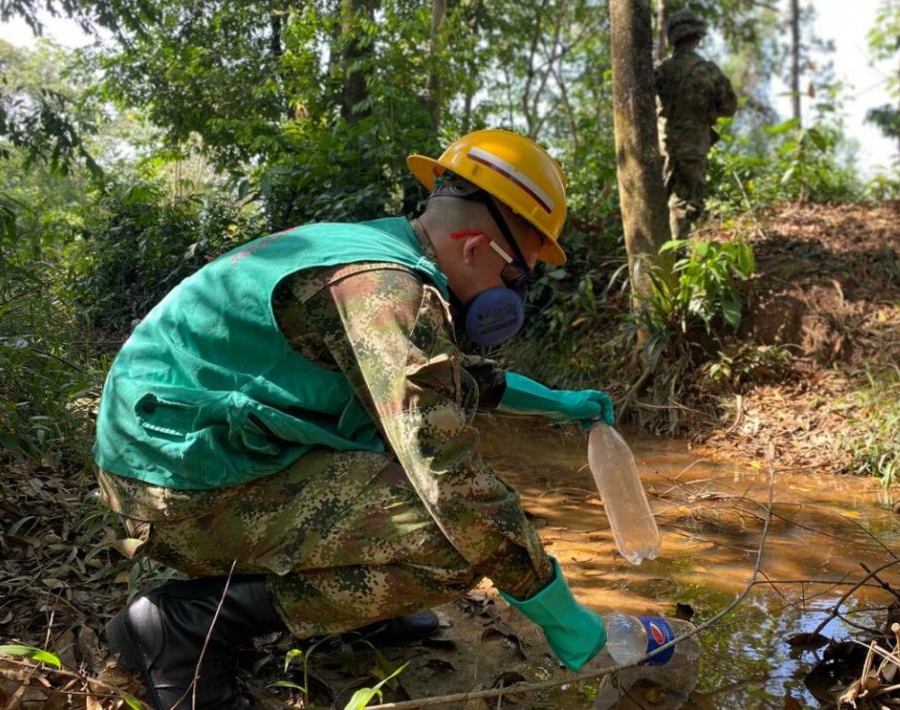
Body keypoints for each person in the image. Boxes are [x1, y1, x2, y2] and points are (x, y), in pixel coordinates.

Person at [94, 129, 613, 710]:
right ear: (474, 248)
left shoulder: (383, 249)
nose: (512, 299)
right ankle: (181, 626)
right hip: (173, 486)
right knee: (461, 539)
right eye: (517, 280)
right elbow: (450, 481)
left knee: (397, 456)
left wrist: (559, 403)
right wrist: (557, 607)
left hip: (181, 448)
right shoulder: (385, 288)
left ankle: (343, 613)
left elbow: (442, 380)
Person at [656, 8, 738, 239]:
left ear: (673, 38)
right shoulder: (708, 72)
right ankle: (677, 261)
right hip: (692, 148)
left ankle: (653, 259)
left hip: (661, 146)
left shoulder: (660, 69)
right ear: (698, 38)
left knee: (655, 202)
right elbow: (729, 108)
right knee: (684, 205)